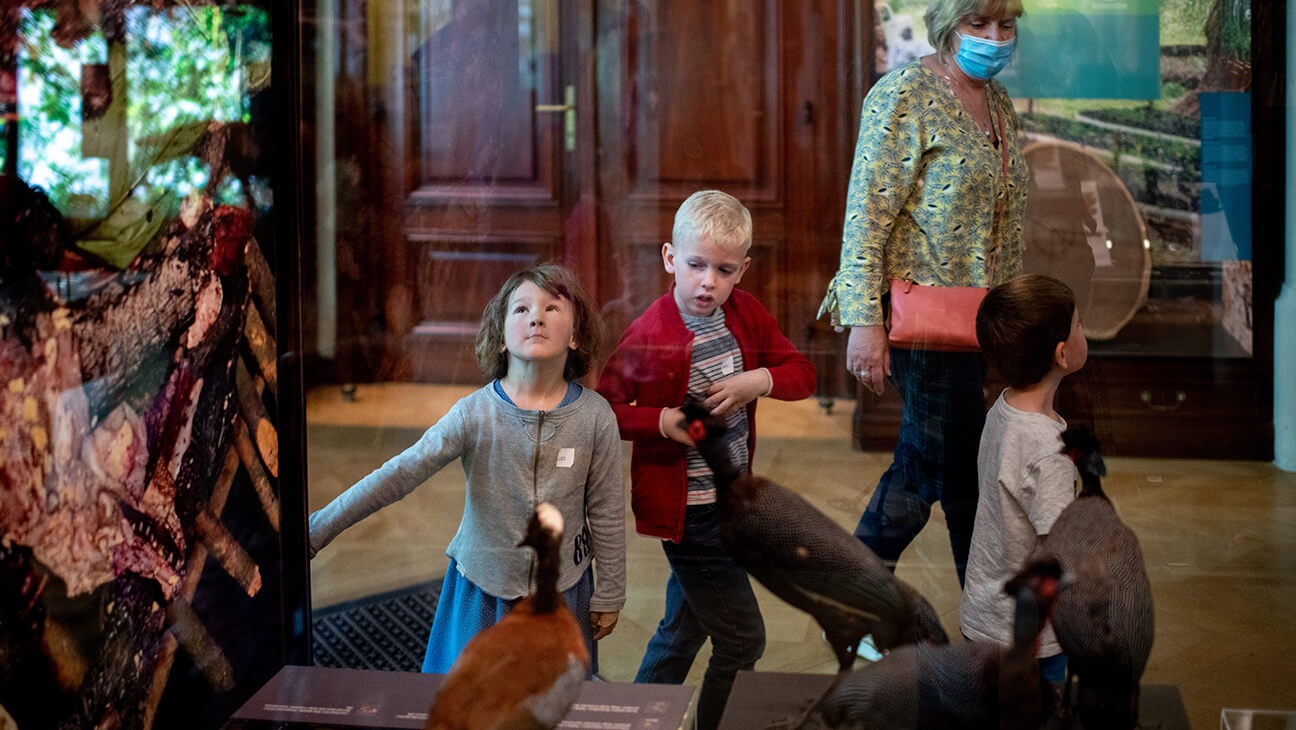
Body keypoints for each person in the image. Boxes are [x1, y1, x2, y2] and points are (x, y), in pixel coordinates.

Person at [308, 264, 626, 676]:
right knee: (469, 703)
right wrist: (318, 528)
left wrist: (611, 591)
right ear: (500, 339)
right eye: (521, 309)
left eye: (552, 308)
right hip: (482, 592)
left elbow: (606, 510)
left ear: (576, 334)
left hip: (563, 592)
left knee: (551, 705)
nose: (536, 317)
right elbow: (400, 473)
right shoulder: (474, 414)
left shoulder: (596, 417)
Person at [818, 0, 1030, 591]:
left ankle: (867, 595)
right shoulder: (903, 94)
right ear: (947, 25)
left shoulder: (999, 102)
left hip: (980, 323)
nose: (994, 37)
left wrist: (1013, 320)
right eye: (978, 24)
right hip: (924, 320)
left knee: (944, 470)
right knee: (943, 471)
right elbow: (865, 216)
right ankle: (977, 611)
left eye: (1006, 25)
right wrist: (864, 323)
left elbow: (1005, 223)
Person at [597, 190, 816, 730]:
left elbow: (802, 374)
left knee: (682, 630)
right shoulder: (650, 333)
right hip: (691, 515)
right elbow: (604, 408)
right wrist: (663, 422)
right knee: (743, 639)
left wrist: (755, 380)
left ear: (743, 269)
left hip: (731, 503)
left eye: (723, 270)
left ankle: (637, 717)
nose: (707, 283)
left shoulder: (745, 314)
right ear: (671, 258)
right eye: (696, 265)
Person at [961, 274, 1087, 684]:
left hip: (983, 618)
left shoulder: (1003, 408)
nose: (1084, 331)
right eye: (1079, 325)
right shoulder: (1048, 450)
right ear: (1062, 354)